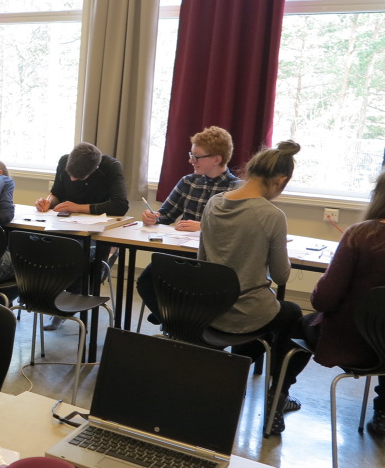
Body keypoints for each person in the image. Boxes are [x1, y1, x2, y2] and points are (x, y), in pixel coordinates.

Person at [198, 140, 310, 434]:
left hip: (211, 310)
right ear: (281, 180)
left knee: (265, 313)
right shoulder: (272, 215)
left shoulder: (213, 203)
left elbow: (202, 262)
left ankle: (232, 377)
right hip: (247, 313)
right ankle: (278, 396)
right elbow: (281, 276)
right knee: (293, 317)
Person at [301, 170, 385, 434]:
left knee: (293, 322)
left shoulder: (360, 235)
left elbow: (322, 300)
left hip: (350, 343)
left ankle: (277, 400)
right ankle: (382, 414)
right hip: (382, 347)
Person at [137, 126, 241, 322]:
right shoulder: (188, 182)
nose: (191, 160)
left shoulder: (237, 189)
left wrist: (204, 228)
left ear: (216, 159)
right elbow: (165, 215)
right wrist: (153, 217)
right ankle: (174, 321)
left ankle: (180, 321)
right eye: (191, 155)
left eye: (196, 156)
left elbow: (239, 231)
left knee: (196, 292)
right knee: (146, 282)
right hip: (181, 253)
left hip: (214, 259)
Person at [34, 142, 129, 329]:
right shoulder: (64, 161)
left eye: (78, 177)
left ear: (95, 168)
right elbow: (57, 193)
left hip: (98, 235)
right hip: (67, 229)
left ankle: (65, 308)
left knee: (79, 254)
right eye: (70, 174)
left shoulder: (111, 167)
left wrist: (78, 208)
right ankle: (52, 299)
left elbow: (120, 205)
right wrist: (48, 201)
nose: (72, 179)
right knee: (42, 246)